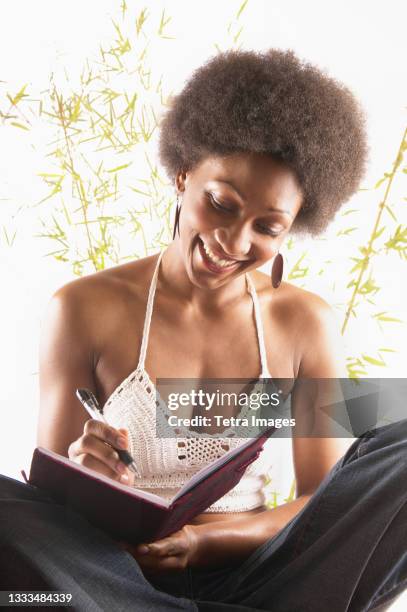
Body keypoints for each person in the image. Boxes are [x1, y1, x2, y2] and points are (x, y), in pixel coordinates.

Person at [0, 49, 406, 612]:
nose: (235, 244)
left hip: (262, 580)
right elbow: (49, 509)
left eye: (267, 227)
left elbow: (321, 503)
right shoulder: (81, 307)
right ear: (183, 174)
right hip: (112, 580)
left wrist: (199, 543)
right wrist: (83, 468)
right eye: (221, 204)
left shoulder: (306, 322)